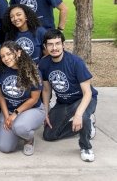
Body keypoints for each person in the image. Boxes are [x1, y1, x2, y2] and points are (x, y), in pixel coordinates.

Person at [39, 29, 98, 162]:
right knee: (49, 135)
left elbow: (87, 93)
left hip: (82, 99)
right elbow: (47, 90)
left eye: (58, 43)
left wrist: (78, 115)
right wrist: (46, 111)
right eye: (50, 44)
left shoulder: (76, 62)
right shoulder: (43, 64)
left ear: (63, 44)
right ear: (45, 47)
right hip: (63, 102)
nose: (54, 48)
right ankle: (87, 126)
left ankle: (86, 146)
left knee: (82, 116)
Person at [0, 41, 45, 155]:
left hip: (32, 109)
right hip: (9, 110)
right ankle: (17, 131)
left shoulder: (32, 70)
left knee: (20, 127)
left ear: (18, 53)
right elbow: (0, 95)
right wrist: (6, 115)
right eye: (3, 56)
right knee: (5, 147)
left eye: (9, 54)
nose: (6, 58)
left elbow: (34, 99)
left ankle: (28, 138)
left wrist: (15, 114)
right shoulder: (1, 70)